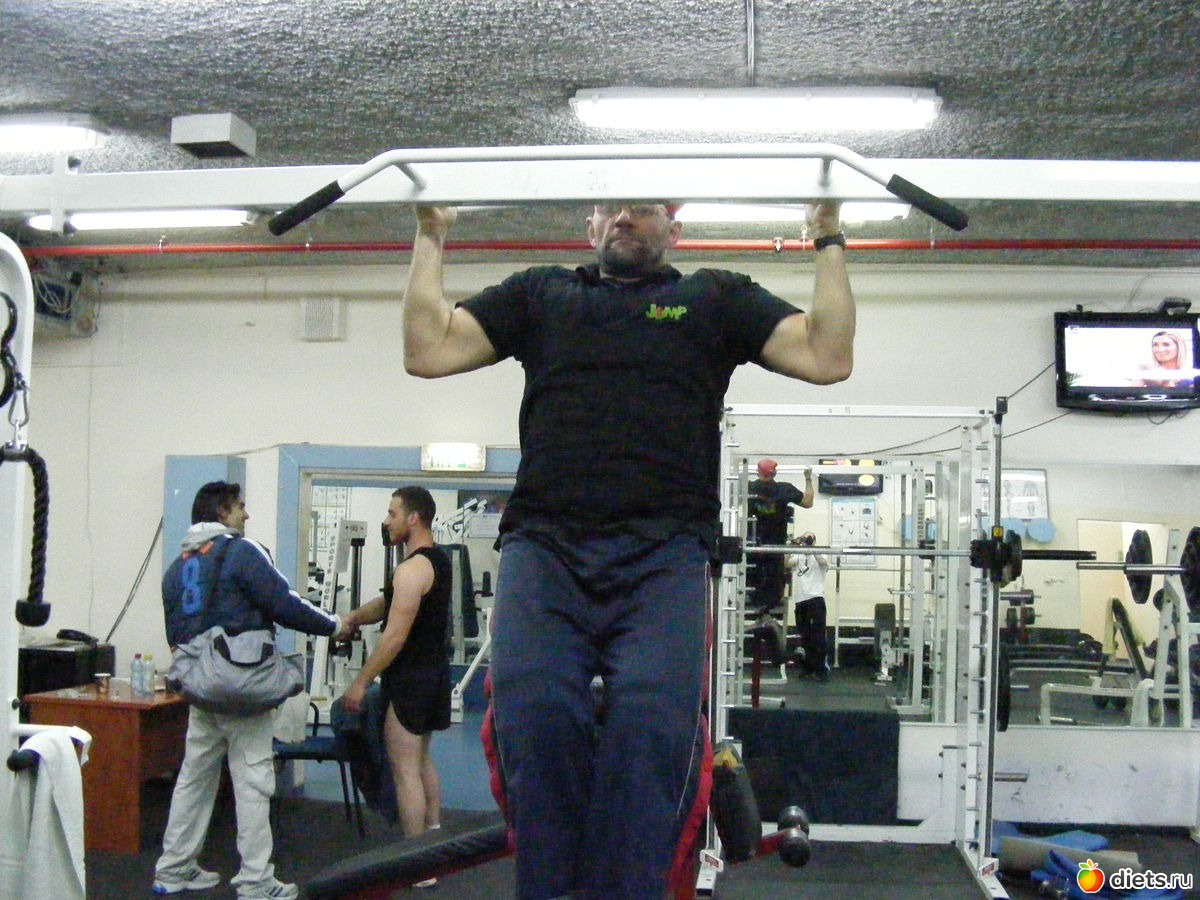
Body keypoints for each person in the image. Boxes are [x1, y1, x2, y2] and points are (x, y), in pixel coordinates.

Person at [402, 199, 854, 898]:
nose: (624, 220)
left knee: (651, 724)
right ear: (589, 226)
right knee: (533, 714)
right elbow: (427, 350)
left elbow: (827, 356)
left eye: (642, 209)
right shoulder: (543, 294)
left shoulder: (714, 298)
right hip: (546, 545)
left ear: (674, 230)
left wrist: (828, 236)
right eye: (610, 209)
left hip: (665, 552)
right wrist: (430, 235)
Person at [154, 481, 344, 900]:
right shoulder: (242, 551)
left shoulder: (176, 568)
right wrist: (333, 625)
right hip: (243, 690)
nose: (246, 514)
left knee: (194, 778)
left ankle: (173, 869)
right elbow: (284, 603)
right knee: (253, 780)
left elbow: (175, 635)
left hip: (202, 692)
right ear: (222, 513)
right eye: (240, 506)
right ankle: (256, 880)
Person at [337, 486, 452, 848]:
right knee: (421, 760)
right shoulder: (437, 562)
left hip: (410, 682)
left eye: (392, 513)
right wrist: (352, 618)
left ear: (413, 518)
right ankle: (434, 841)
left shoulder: (410, 569)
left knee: (404, 771)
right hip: (434, 675)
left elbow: (394, 638)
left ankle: (416, 859)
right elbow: (388, 604)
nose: (386, 521)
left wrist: (361, 682)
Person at [746, 460, 814, 614]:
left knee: (755, 586)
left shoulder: (749, 488)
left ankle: (762, 612)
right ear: (775, 473)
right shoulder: (784, 489)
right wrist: (808, 478)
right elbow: (808, 502)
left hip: (753, 546)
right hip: (775, 547)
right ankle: (766, 612)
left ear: (757, 472)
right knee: (774, 590)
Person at [790, 532, 831, 680]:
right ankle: (808, 668)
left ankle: (821, 670)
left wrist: (812, 548)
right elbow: (786, 564)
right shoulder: (798, 556)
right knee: (804, 636)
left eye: (809, 538)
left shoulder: (821, 554)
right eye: (805, 538)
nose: (806, 541)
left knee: (818, 637)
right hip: (800, 600)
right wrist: (792, 546)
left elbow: (823, 563)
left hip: (816, 599)